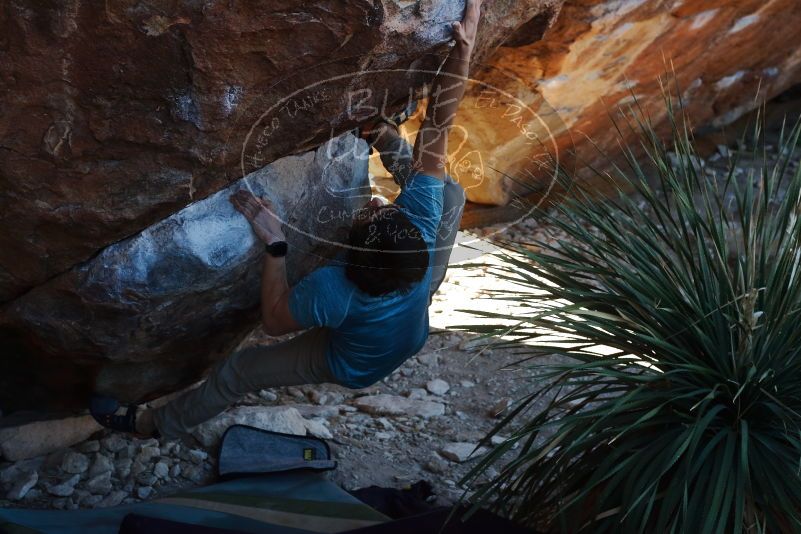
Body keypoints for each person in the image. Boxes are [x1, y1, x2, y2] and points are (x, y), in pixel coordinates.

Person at [91, 0, 483, 439]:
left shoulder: (334, 290)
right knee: (442, 190)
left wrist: (276, 247)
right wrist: (463, 49)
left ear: (351, 258)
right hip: (409, 313)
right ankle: (378, 132)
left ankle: (150, 424)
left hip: (355, 360)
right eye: (384, 211)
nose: (375, 204)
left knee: (241, 371)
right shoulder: (420, 227)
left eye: (370, 219)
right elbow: (439, 125)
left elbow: (275, 323)